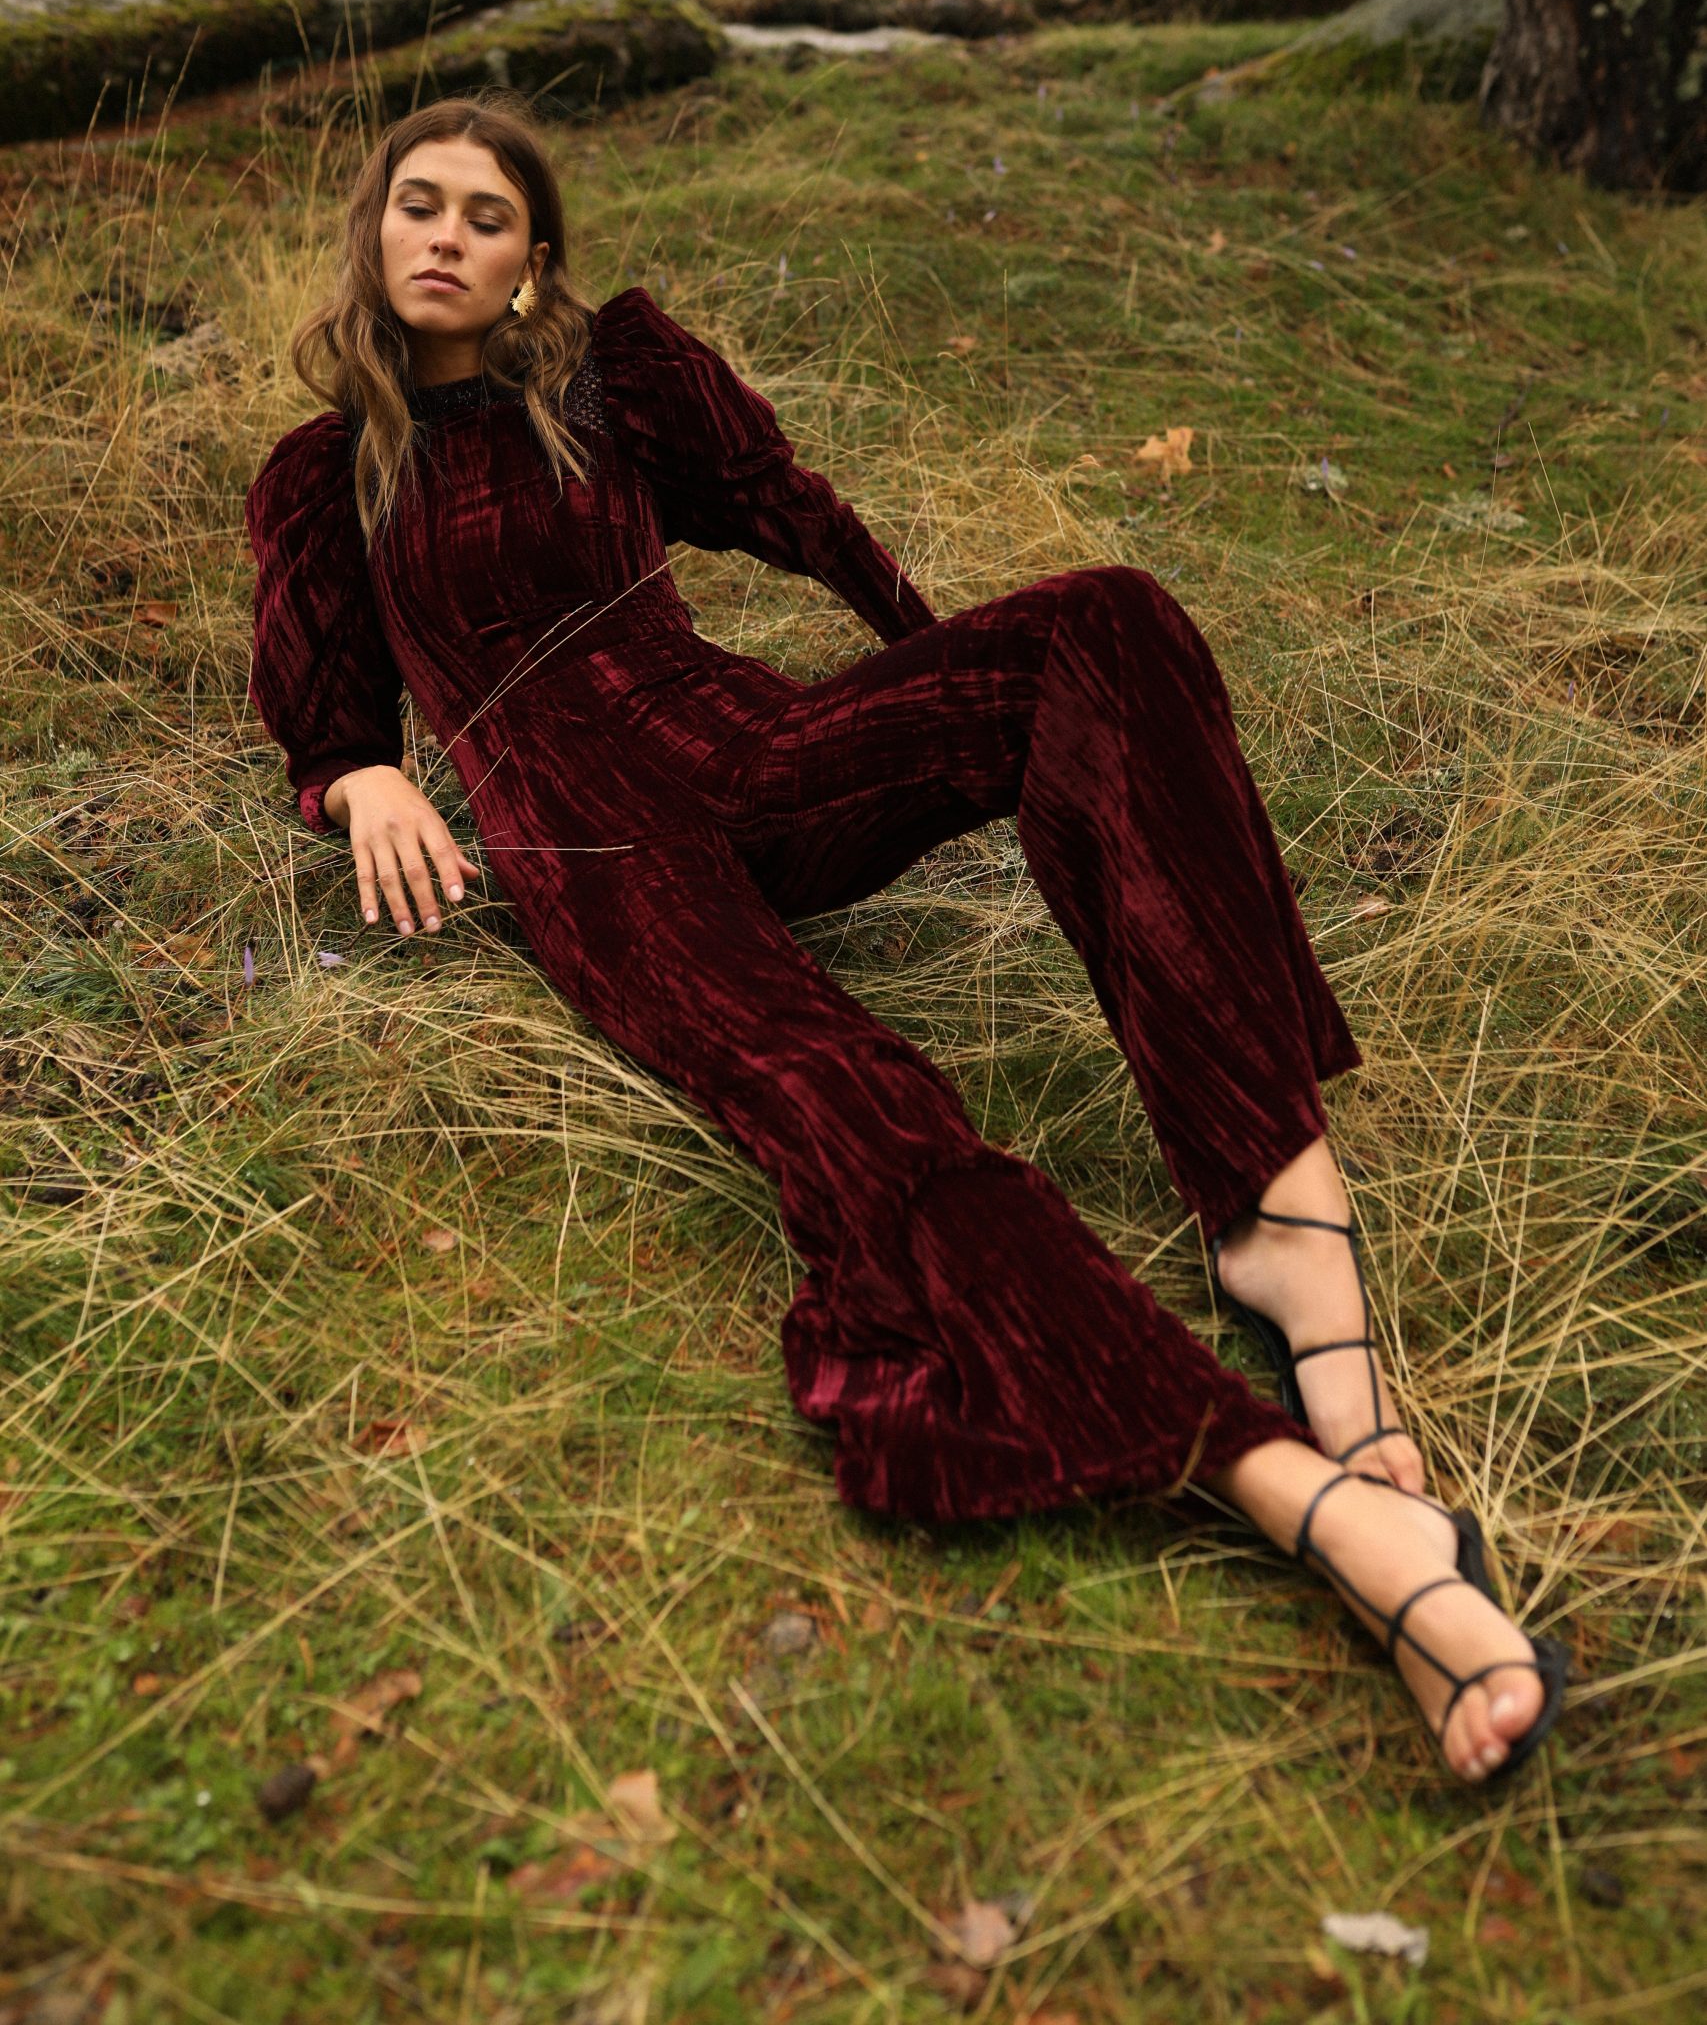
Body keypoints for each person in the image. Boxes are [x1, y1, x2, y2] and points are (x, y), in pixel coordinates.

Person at [245, 98, 1566, 1786]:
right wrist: (358, 777)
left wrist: (959, 687)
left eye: (485, 215)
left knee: (1103, 623)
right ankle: (1314, 1505)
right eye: (417, 205)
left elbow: (792, 509)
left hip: (748, 747)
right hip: (598, 855)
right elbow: (327, 710)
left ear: (533, 261)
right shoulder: (324, 477)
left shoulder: (610, 381)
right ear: (373, 233)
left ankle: (1285, 1221)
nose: (444, 235)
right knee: (856, 1103)